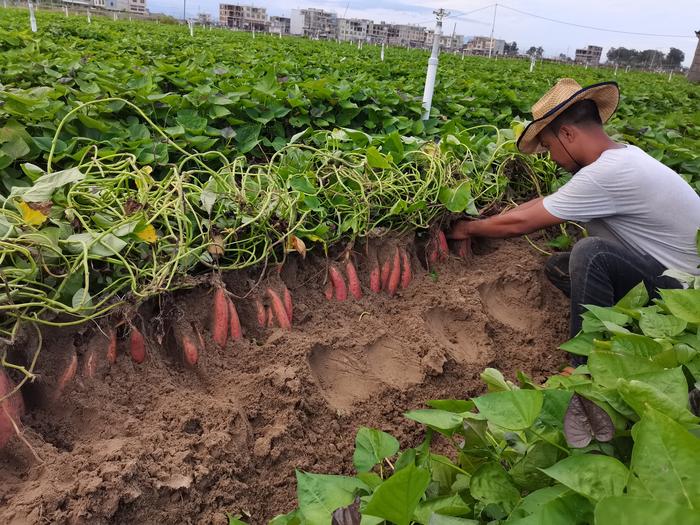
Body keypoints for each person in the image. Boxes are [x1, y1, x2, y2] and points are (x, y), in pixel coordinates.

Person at [448, 78, 700, 361]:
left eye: (548, 145)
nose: (552, 157)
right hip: (674, 279)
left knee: (591, 254)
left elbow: (521, 224)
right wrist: (493, 216)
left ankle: (585, 364)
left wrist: (467, 228)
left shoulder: (607, 174)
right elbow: (541, 205)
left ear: (567, 134)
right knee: (560, 266)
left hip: (685, 298)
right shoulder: (625, 156)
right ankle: (624, 325)